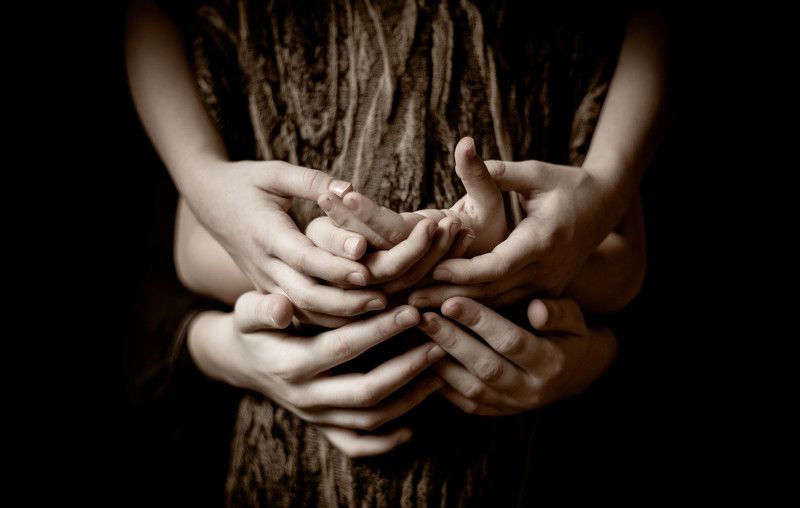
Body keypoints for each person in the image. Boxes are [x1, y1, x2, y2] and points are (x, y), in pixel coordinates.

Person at [125, 0, 666, 504]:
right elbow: (191, 249)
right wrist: (316, 268)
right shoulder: (235, 27)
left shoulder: (577, 37)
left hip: (526, 458)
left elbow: (625, 264)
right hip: (292, 467)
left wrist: (503, 261)